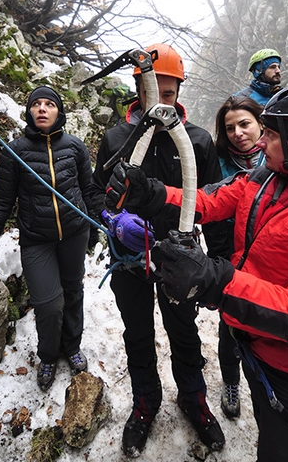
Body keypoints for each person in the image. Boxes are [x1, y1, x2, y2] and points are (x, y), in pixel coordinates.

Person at [105, 84, 288, 462]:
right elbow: (209, 199)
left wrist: (216, 279)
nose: (258, 139)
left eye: (271, 133)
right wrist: (152, 194)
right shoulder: (267, 176)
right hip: (247, 335)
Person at [91, 43, 228, 457]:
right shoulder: (117, 136)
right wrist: (115, 220)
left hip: (178, 257)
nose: (159, 102)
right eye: (152, 92)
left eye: (168, 95)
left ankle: (193, 397)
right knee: (138, 331)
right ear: (139, 87)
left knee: (183, 330)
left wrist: (215, 255)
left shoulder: (198, 140)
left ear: (179, 92)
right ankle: (146, 401)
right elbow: (96, 192)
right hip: (129, 256)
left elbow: (215, 198)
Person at [0, 85, 95, 391]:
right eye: (36, 103)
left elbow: (89, 192)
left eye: (49, 104)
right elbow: (0, 202)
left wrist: (99, 226)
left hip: (74, 233)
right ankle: (49, 355)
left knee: (73, 292)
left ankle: (71, 347)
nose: (42, 108)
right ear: (29, 111)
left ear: (58, 112)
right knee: (48, 304)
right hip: (37, 240)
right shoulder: (16, 152)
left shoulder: (75, 147)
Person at [214, 95, 265, 419]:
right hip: (229, 256)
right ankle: (231, 382)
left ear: (262, 124)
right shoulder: (218, 161)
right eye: (230, 127)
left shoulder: (278, 162)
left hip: (270, 258)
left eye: (244, 124)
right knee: (229, 325)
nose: (237, 133)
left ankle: (266, 387)